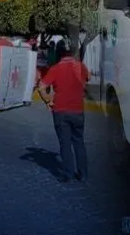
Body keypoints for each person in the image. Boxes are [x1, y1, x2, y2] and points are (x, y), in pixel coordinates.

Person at [38, 39, 90, 183]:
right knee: (79, 142)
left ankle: (68, 174)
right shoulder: (81, 67)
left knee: (65, 143)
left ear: (59, 52)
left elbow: (41, 87)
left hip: (60, 111)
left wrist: (48, 100)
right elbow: (88, 78)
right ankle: (83, 174)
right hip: (78, 111)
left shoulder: (55, 69)